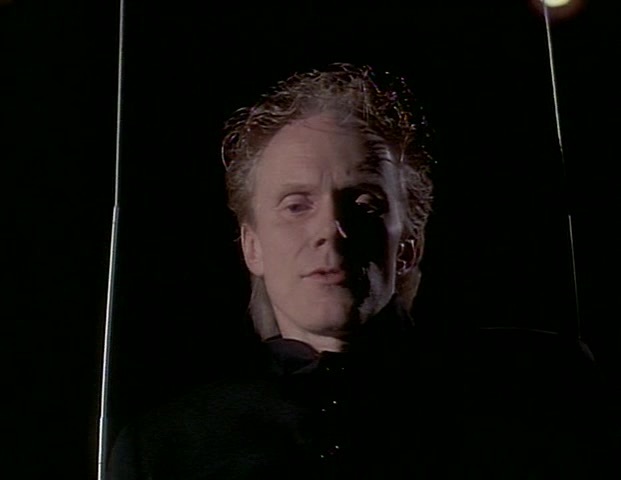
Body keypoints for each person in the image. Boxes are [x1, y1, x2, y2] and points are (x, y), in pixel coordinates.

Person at [107, 64, 618, 479]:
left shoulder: (534, 383)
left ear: (408, 245)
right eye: (295, 205)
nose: (331, 229)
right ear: (252, 247)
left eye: (365, 204)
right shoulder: (167, 447)